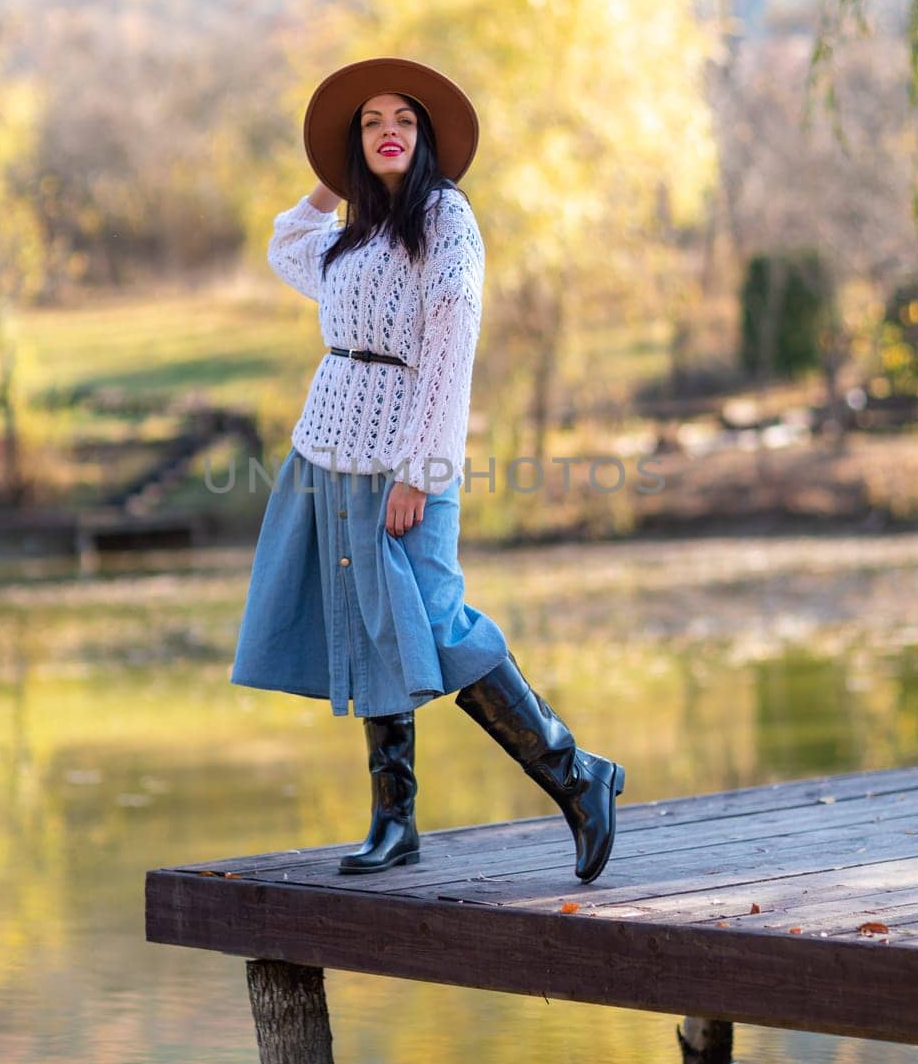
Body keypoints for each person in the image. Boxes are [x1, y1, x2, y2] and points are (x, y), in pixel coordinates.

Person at [229, 56, 626, 883]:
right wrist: (329, 184)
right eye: (370, 123)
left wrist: (421, 469)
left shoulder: (445, 220)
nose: (387, 134)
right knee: (370, 631)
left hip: (406, 454)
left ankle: (574, 772)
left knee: (438, 621)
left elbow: (451, 351)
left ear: (427, 138)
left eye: (402, 122)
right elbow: (284, 245)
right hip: (330, 448)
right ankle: (394, 822)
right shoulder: (355, 230)